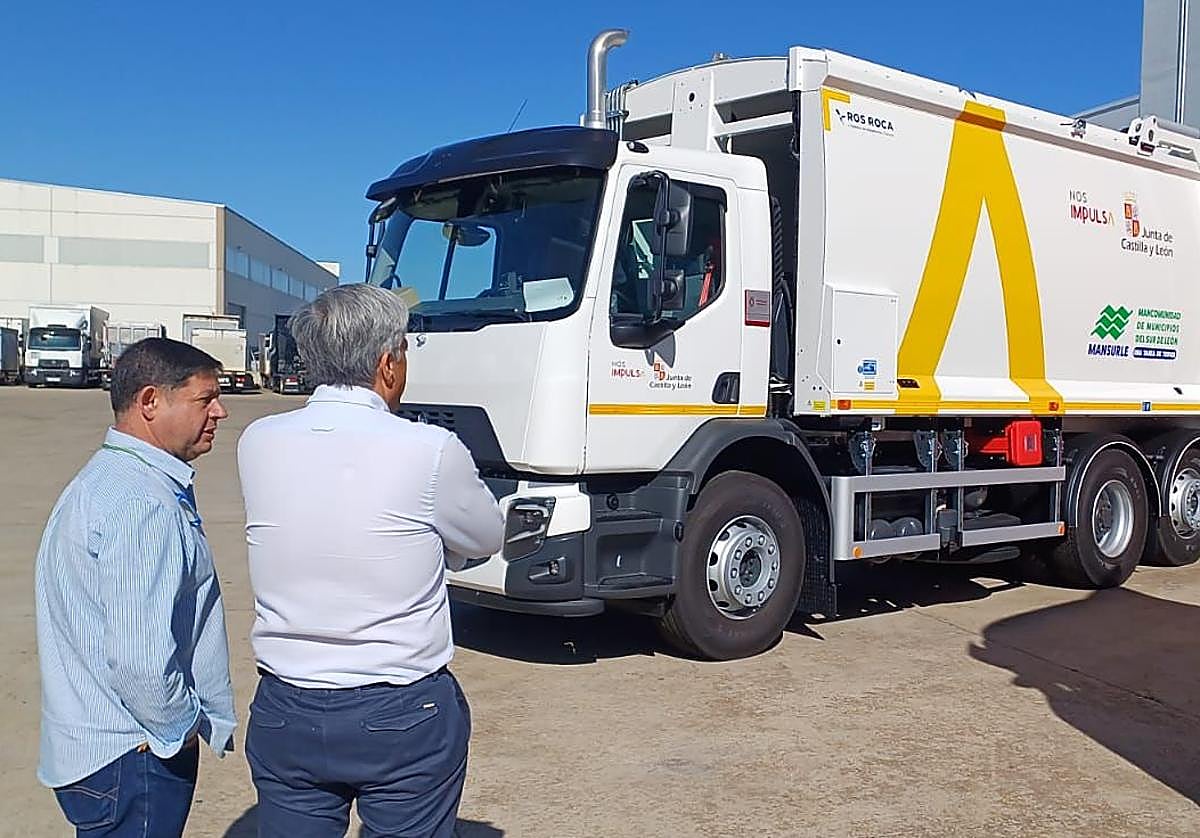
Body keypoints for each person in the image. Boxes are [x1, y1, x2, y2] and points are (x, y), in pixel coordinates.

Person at [237, 284, 504, 838]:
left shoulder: (258, 440)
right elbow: (483, 538)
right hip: (401, 708)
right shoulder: (429, 448)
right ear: (387, 363)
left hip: (288, 703)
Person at [35, 337, 236, 837]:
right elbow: (141, 661)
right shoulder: (143, 504)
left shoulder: (106, 478)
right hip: (132, 756)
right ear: (150, 401)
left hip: (99, 752)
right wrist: (182, 727)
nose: (221, 411)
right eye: (204, 399)